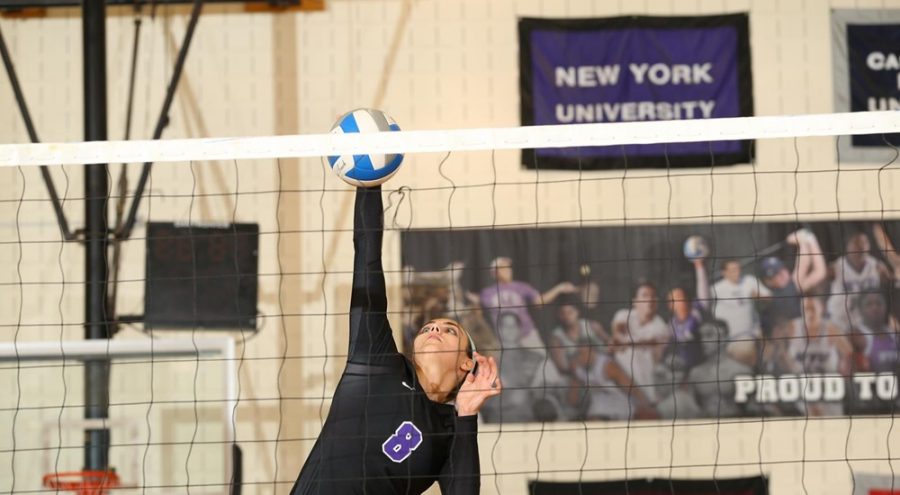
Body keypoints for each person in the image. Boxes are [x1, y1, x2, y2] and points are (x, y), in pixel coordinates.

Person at [292, 187, 502, 495]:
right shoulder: (378, 362)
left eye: (449, 330)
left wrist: (468, 414)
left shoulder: (450, 431)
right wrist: (369, 182)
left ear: (466, 363)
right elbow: (367, 258)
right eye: (428, 326)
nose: (434, 330)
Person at [470, 256, 576, 355]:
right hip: (505, 341)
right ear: (494, 273)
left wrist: (559, 288)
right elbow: (475, 309)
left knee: (543, 366)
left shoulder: (522, 287)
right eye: (503, 268)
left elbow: (539, 302)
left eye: (508, 267)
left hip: (527, 335)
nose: (507, 270)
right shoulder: (487, 293)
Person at [759, 228, 827, 336]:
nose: (782, 275)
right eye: (775, 275)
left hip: (802, 336)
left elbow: (820, 272)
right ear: (768, 282)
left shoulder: (789, 287)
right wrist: (804, 240)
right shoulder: (781, 294)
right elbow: (806, 263)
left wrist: (807, 241)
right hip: (791, 341)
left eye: (781, 269)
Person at [610, 281, 670, 404]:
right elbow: (617, 334)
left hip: (648, 374)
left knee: (635, 354)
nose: (650, 300)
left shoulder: (661, 326)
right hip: (622, 376)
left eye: (653, 296)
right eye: (645, 295)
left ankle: (646, 401)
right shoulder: (623, 315)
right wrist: (620, 342)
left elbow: (646, 342)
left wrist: (623, 343)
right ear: (635, 301)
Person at [826, 231, 893, 332]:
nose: (861, 246)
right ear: (847, 246)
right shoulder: (834, 268)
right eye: (856, 242)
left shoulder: (877, 266)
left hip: (866, 323)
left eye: (865, 242)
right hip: (840, 320)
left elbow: (892, 287)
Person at [711, 259, 771, 366]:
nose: (737, 272)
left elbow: (770, 297)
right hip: (734, 339)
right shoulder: (716, 289)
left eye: (738, 269)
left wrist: (758, 295)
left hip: (755, 334)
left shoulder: (750, 281)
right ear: (724, 273)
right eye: (733, 270)